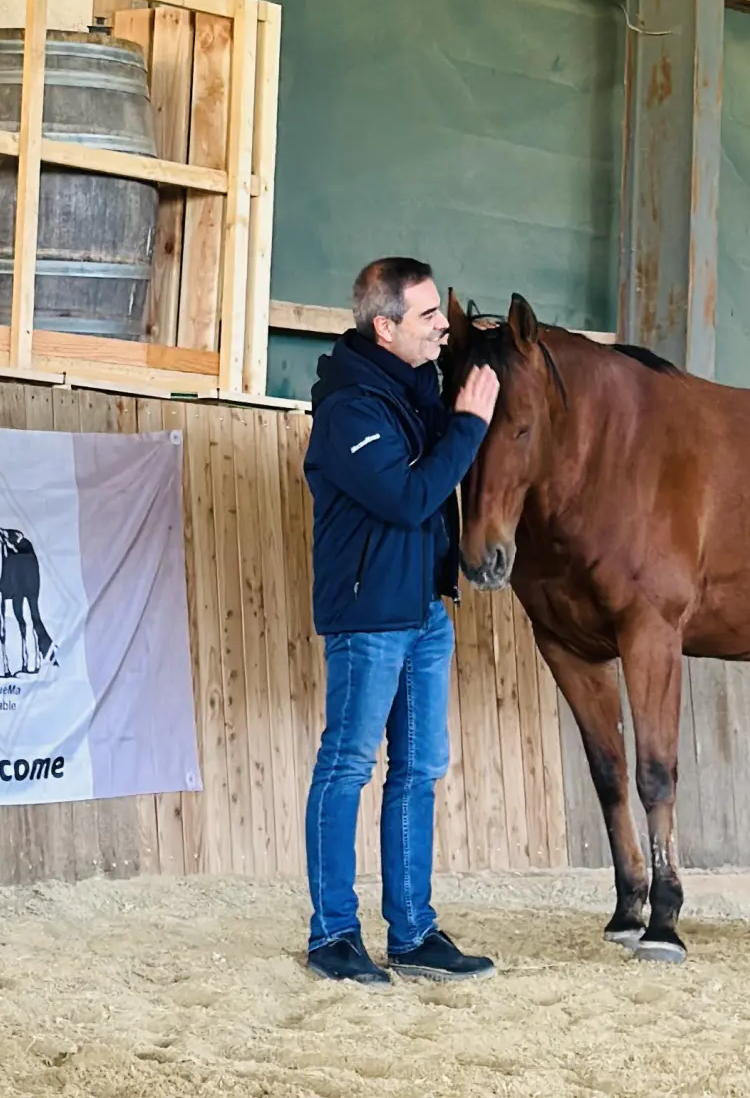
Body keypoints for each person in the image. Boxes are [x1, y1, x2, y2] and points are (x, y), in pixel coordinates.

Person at [300, 257, 501, 984]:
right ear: (384, 327)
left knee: (418, 769)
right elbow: (411, 497)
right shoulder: (351, 408)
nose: (440, 326)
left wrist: (475, 342)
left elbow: (451, 386)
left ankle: (412, 933)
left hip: (422, 613)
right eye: (427, 316)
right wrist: (470, 426)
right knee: (347, 766)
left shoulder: (411, 389)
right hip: (369, 618)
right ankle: (333, 935)